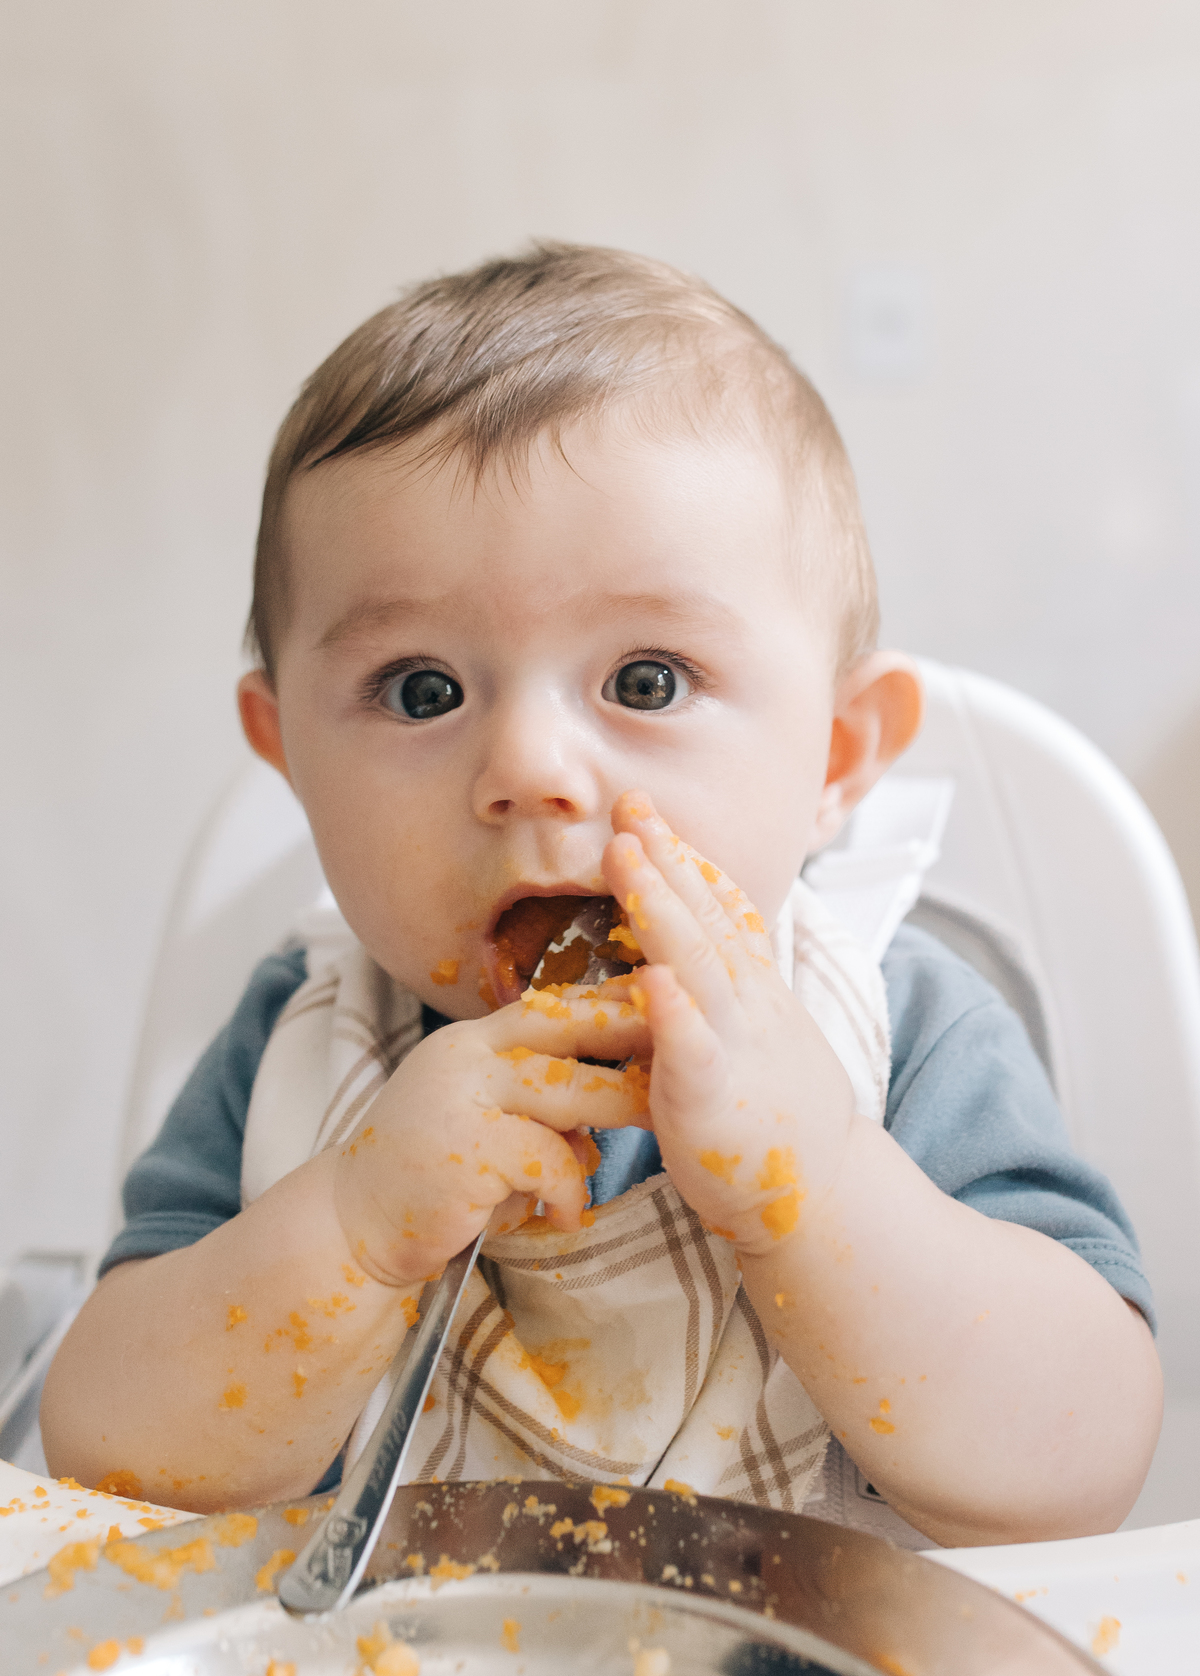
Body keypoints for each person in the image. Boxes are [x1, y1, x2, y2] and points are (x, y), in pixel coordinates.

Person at [42, 245, 1160, 1548]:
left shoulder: (896, 1025)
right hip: (385, 1675)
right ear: (287, 750)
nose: (529, 768)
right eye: (422, 691)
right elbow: (107, 1452)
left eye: (645, 681)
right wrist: (351, 1232)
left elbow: (1085, 1458)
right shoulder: (302, 1044)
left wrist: (819, 1183)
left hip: (816, 1675)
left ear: (837, 760)